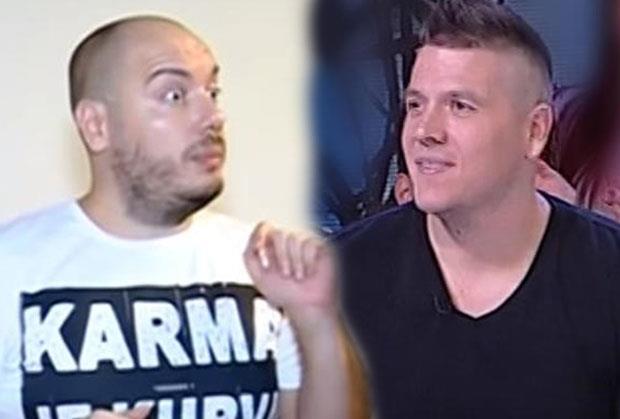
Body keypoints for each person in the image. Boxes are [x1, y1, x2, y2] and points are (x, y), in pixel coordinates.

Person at [0, 15, 366, 419]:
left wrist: (315, 321)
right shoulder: (11, 267)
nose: (213, 116)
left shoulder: (264, 269)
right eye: (174, 95)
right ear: (96, 125)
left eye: (213, 92)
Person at [335, 0, 620, 417]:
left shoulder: (608, 277)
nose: (425, 132)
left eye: (460, 106)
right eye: (416, 105)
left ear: (534, 131)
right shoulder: (337, 278)